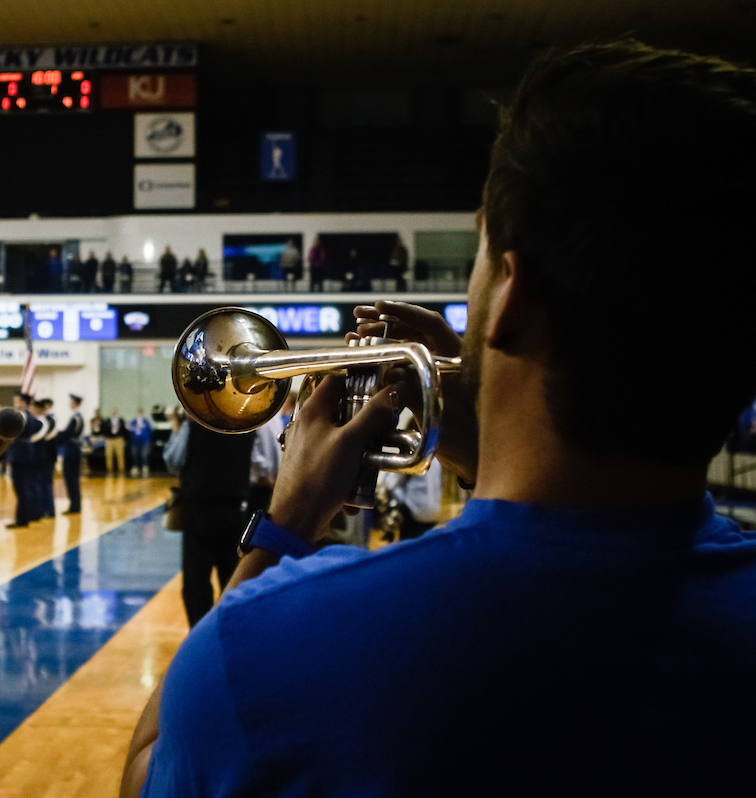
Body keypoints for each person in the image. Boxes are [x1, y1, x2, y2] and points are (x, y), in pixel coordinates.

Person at [123, 41, 756, 798]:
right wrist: (496, 441)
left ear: (512, 297)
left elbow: (146, 770)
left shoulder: (277, 641)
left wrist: (288, 521)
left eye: (480, 255)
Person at [162, 418, 254, 627]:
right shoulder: (245, 425)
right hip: (235, 508)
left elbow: (173, 460)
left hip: (199, 510)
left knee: (196, 583)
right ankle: (230, 633)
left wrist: (176, 430)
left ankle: (200, 637)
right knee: (232, 580)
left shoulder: (194, 424)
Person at [6, 392, 41, 527]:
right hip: (28, 452)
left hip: (19, 453)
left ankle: (22, 520)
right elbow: (39, 426)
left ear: (23, 403)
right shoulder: (30, 417)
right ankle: (26, 517)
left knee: (20, 488)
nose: (15, 403)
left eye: (17, 401)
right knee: (25, 487)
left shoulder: (19, 416)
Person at [58, 394, 85, 514]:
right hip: (74, 449)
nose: (70, 404)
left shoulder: (76, 418)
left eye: (71, 402)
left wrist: (56, 436)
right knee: (72, 479)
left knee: (71, 478)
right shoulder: (78, 417)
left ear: (75, 403)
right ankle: (75, 505)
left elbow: (68, 433)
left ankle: (75, 506)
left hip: (71, 449)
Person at [31, 398, 58, 518]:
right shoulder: (50, 420)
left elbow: (39, 439)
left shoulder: (44, 421)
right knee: (45, 484)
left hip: (44, 456)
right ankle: (47, 509)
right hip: (47, 456)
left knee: (43, 484)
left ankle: (44, 510)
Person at [128, 408, 152, 477]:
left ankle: (145, 467)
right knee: (135, 455)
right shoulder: (133, 421)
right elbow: (130, 429)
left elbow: (150, 430)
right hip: (135, 442)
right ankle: (135, 468)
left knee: (144, 455)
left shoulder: (146, 421)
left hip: (144, 441)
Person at [103, 408, 127, 475]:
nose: (114, 412)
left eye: (115, 411)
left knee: (120, 455)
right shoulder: (107, 421)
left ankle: (121, 470)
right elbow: (104, 429)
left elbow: (124, 430)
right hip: (109, 439)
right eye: (112, 411)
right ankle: (110, 470)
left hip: (118, 439)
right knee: (109, 455)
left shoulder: (121, 420)